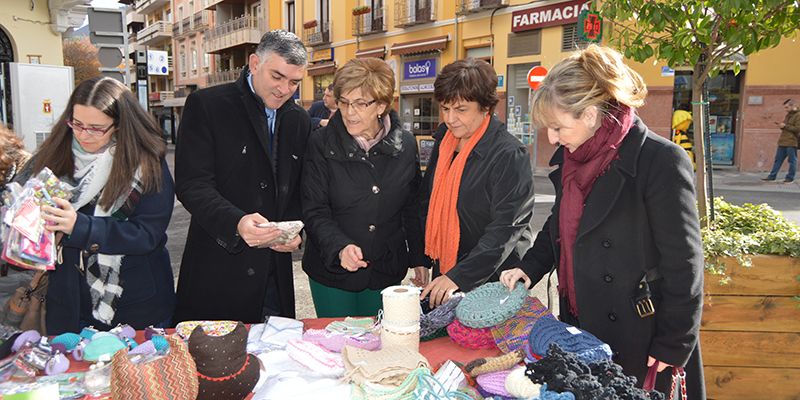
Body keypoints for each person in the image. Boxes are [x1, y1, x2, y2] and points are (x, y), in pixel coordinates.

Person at [499, 45, 705, 398]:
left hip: (641, 334)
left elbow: (685, 263)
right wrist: (529, 268)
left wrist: (673, 343)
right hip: (581, 323)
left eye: (557, 127)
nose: (551, 138)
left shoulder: (659, 161)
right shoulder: (572, 157)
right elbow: (559, 229)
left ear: (591, 115)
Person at [173, 30, 310, 323]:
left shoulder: (299, 121)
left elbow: (300, 190)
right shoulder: (207, 105)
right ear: (254, 63)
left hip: (274, 278)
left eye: (294, 82)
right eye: (277, 76)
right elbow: (191, 184)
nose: (284, 89)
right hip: (217, 272)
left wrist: (297, 232)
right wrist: (235, 222)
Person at [28, 77, 175, 335]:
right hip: (68, 304)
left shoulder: (147, 163)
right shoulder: (54, 153)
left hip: (132, 307)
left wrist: (80, 227)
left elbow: (147, 234)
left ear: (120, 125)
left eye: (96, 128)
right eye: (77, 124)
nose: (84, 135)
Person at [301, 58, 426, 318]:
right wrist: (339, 247)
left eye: (360, 103)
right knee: (335, 347)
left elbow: (412, 207)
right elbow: (314, 209)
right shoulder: (320, 142)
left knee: (379, 345)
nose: (349, 112)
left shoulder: (405, 144)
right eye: (344, 102)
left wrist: (418, 258)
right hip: (331, 271)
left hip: (385, 268)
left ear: (381, 105)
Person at [419, 58, 535, 308]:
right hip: (448, 269)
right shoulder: (444, 143)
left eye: (461, 109)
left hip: (494, 279)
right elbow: (426, 202)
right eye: (445, 108)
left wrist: (458, 276)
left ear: (486, 108)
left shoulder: (509, 154)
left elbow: (506, 228)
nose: (450, 118)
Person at [762, 98, 799, 183]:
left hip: (791, 142)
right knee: (778, 159)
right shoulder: (788, 115)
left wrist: (785, 126)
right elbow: (786, 127)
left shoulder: (798, 115)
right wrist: (781, 126)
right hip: (783, 141)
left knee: (792, 161)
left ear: (793, 106)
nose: (785, 109)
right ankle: (772, 176)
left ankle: (789, 178)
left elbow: (797, 129)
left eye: (787, 107)